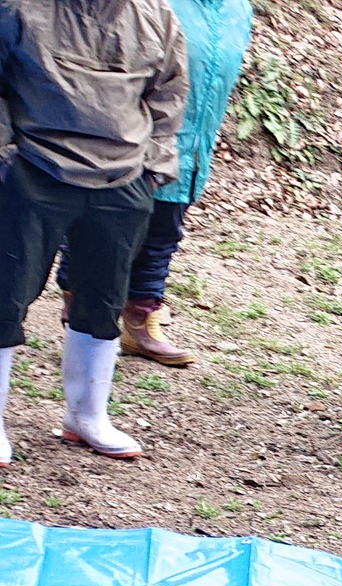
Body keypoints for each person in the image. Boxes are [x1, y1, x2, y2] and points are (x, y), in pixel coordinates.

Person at [0, 0, 187, 464]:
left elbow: (168, 93)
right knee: (5, 293)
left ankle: (87, 416)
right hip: (33, 169)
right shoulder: (19, 10)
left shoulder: (156, 16)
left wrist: (153, 169)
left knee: (105, 296)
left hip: (123, 179)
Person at [55, 0, 252, 370]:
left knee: (164, 233)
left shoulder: (238, 9)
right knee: (103, 230)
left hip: (194, 146)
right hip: (134, 142)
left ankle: (140, 321)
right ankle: (78, 304)